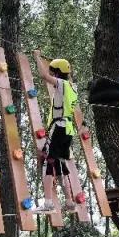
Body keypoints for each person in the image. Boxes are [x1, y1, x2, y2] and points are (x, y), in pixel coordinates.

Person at [31, 50, 78, 214]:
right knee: (60, 163)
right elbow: (66, 74)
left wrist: (37, 57)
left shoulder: (62, 84)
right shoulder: (73, 86)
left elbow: (44, 75)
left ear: (57, 74)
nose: (51, 73)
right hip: (68, 130)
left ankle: (48, 203)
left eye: (53, 71)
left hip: (58, 128)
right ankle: (69, 202)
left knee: (48, 161)